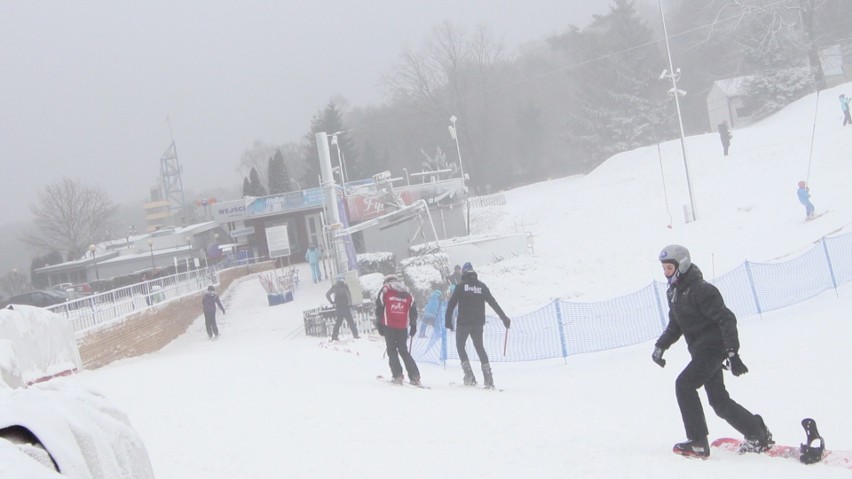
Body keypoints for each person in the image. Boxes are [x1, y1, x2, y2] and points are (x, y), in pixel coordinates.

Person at [652, 244, 773, 458]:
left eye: (669, 268)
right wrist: (661, 345)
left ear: (682, 265)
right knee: (718, 401)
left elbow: (726, 319)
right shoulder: (674, 293)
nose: (665, 273)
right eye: (664, 268)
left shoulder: (702, 290)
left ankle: (698, 442)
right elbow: (675, 325)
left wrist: (732, 353)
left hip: (713, 348)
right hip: (700, 351)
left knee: (684, 385)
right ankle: (756, 432)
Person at [444, 262, 510, 388]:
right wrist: (504, 318)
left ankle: (469, 375)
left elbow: (451, 304)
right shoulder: (482, 286)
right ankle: (488, 378)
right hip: (478, 323)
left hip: (463, 322)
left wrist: (448, 321)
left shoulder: (461, 286)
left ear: (464, 273)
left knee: (460, 346)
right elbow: (493, 303)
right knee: (480, 348)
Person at [375, 274, 421, 385]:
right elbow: (413, 308)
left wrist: (379, 325)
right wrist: (413, 325)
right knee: (403, 350)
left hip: (389, 325)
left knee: (391, 350)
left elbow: (379, 308)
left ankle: (397, 375)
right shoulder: (407, 291)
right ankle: (415, 376)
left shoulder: (385, 290)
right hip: (402, 326)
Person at [326, 276, 359, 341]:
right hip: (345, 307)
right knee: (350, 321)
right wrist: (350, 304)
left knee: (338, 323)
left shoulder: (334, 287)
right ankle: (355, 335)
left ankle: (334, 337)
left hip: (338, 307)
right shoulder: (345, 286)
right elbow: (348, 296)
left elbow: (327, 294)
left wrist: (331, 302)